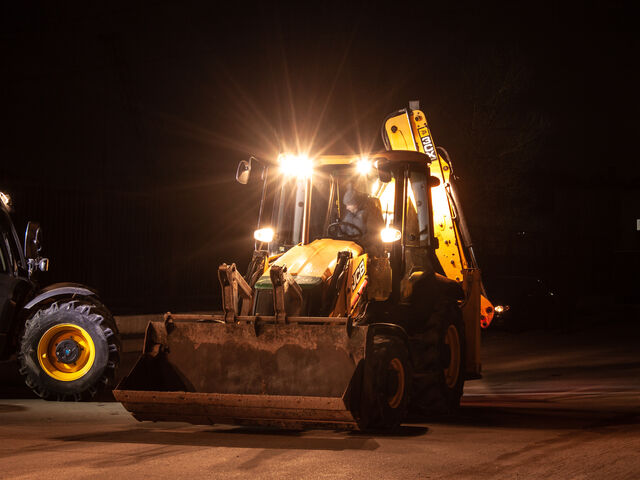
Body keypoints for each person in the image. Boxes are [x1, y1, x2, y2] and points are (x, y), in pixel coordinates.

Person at [339, 184, 385, 257]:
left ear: (356, 203)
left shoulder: (371, 213)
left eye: (349, 204)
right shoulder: (349, 214)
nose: (347, 207)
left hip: (366, 249)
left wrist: (358, 242)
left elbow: (374, 235)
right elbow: (342, 229)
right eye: (346, 205)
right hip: (350, 247)